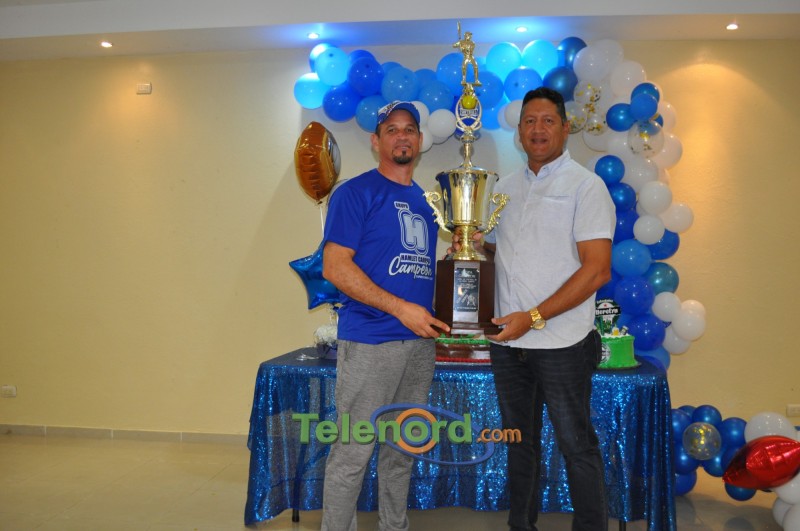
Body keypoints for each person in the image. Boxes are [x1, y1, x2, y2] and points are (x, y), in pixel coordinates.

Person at [456, 86, 616, 531]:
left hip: (563, 343)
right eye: (529, 121)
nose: (538, 129)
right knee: (518, 443)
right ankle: (520, 526)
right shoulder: (504, 189)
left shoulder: (586, 187)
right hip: (509, 344)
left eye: (547, 121)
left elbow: (597, 270)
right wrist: (472, 248)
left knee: (576, 446)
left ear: (565, 128)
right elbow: (502, 252)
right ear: (519, 132)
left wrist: (534, 318)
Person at [320, 100, 450, 531]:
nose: (402, 136)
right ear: (376, 142)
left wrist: (465, 253)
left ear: (420, 140)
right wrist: (400, 309)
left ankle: (394, 526)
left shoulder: (426, 203)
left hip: (419, 345)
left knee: (402, 450)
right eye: (391, 130)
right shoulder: (354, 193)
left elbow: (415, 270)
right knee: (352, 452)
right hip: (371, 342)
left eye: (409, 129)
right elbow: (335, 267)